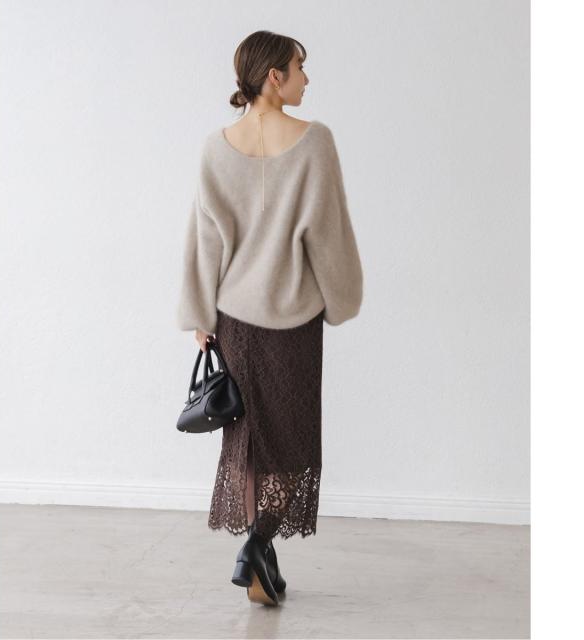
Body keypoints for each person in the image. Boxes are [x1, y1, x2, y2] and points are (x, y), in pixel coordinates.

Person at [175, 30, 364, 606]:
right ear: (275, 77)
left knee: (252, 440)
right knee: (293, 440)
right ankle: (256, 546)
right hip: (293, 322)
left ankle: (263, 564)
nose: (307, 78)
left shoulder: (215, 147)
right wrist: (342, 298)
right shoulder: (315, 141)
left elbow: (204, 240)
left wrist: (200, 314)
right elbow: (329, 234)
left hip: (234, 319)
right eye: (300, 67)